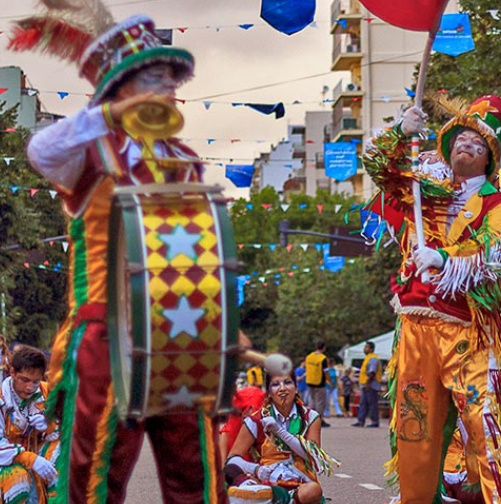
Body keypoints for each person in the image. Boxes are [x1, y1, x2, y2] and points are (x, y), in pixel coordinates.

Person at [15, 7, 227, 501]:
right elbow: (39, 151)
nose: (169, 89)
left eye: (172, 80)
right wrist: (107, 113)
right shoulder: (90, 151)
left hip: (180, 334)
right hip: (106, 336)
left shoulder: (187, 163)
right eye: (156, 78)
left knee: (194, 473)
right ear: (121, 89)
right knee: (94, 477)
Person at [362, 94, 501, 504]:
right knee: (415, 425)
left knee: (484, 417)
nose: (467, 144)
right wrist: (399, 131)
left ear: (489, 158)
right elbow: (377, 165)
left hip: (466, 329)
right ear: (449, 146)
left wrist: (445, 257)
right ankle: (417, 498)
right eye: (462, 137)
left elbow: (492, 251)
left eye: (478, 143)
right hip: (414, 326)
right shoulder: (421, 187)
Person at [224, 366, 337, 504]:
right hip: (265, 482)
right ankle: (264, 495)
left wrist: (280, 432)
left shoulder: (310, 417)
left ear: (296, 388)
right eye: (276, 384)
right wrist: (257, 469)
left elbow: (312, 455)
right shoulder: (255, 420)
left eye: (288, 382)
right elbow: (232, 460)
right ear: (269, 392)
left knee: (313, 491)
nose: (282, 388)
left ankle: (277, 498)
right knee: (227, 472)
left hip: (300, 483)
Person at [0, 346, 59, 503]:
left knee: (61, 452)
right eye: (24, 380)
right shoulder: (1, 398)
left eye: (36, 381)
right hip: (6, 463)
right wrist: (31, 459)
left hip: (37, 457)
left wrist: (49, 423)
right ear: (12, 373)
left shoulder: (46, 392)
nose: (30, 387)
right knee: (17, 480)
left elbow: (71, 425)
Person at [352, 342, 381, 428]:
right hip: (365, 385)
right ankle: (361, 420)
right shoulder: (367, 358)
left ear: (371, 349)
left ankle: (375, 421)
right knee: (363, 403)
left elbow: (372, 372)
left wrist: (368, 384)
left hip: (371, 385)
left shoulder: (373, 358)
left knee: (372, 403)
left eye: (366, 347)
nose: (364, 349)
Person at [304, 342, 331, 428]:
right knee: (320, 403)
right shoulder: (323, 358)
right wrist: (329, 381)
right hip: (319, 383)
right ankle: (319, 420)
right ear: (324, 348)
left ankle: (310, 419)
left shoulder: (309, 357)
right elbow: (326, 372)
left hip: (310, 381)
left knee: (312, 401)